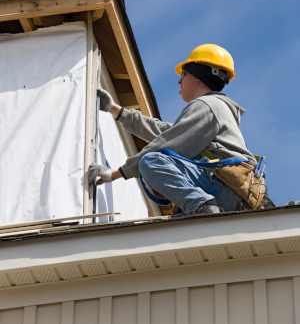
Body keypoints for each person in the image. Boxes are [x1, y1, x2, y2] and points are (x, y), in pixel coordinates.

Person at [88, 44, 257, 217]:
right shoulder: (214, 108)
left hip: (225, 188)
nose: (179, 80)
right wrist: (115, 109)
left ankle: (202, 207)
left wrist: (116, 173)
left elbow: (166, 144)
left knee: (150, 161)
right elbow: (164, 133)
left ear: (199, 76)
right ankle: (201, 208)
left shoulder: (207, 105)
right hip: (231, 191)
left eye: (184, 73)